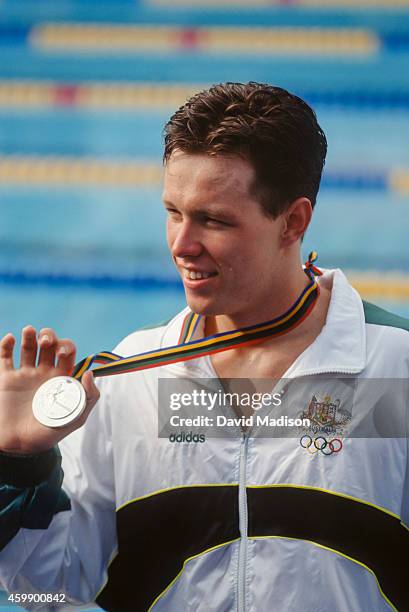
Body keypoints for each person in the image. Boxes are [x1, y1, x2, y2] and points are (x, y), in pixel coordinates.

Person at [0, 82, 408, 612]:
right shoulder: (131, 381)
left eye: (213, 220)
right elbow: (50, 588)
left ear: (294, 221)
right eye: (174, 211)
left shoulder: (392, 370)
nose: (180, 244)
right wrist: (18, 464)